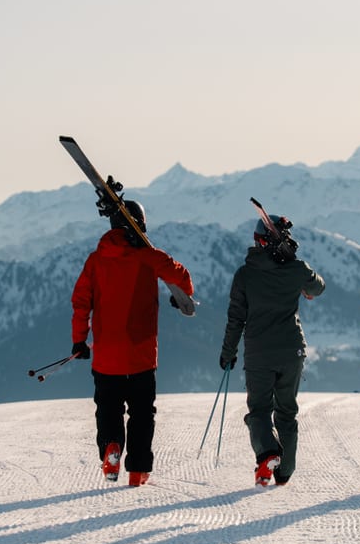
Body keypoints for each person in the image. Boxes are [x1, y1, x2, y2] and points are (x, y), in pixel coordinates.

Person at [71, 200, 194, 486]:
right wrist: (181, 297)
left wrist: (79, 340)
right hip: (141, 354)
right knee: (142, 413)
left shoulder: (96, 259)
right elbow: (182, 277)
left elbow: (80, 303)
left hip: (106, 355)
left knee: (108, 409)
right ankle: (137, 471)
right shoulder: (150, 257)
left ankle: (111, 448)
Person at [220, 212, 325, 487]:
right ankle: (285, 471)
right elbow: (318, 286)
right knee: (287, 412)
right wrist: (297, 266)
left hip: (259, 354)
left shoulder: (244, 275)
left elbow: (236, 319)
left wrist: (228, 352)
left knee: (259, 410)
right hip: (292, 351)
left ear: (257, 241)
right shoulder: (296, 269)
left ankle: (267, 453)